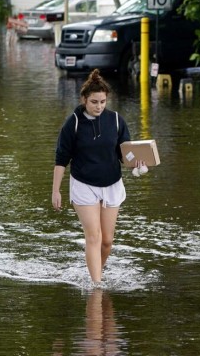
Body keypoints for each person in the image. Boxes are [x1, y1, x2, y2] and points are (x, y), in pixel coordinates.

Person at [52, 69, 131, 285]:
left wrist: (139, 162)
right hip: (83, 184)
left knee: (107, 241)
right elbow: (61, 159)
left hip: (112, 183)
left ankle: (96, 270)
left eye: (103, 102)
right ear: (84, 99)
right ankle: (97, 287)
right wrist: (56, 191)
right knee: (93, 237)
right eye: (94, 102)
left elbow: (126, 154)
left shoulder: (116, 120)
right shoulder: (73, 124)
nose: (99, 106)